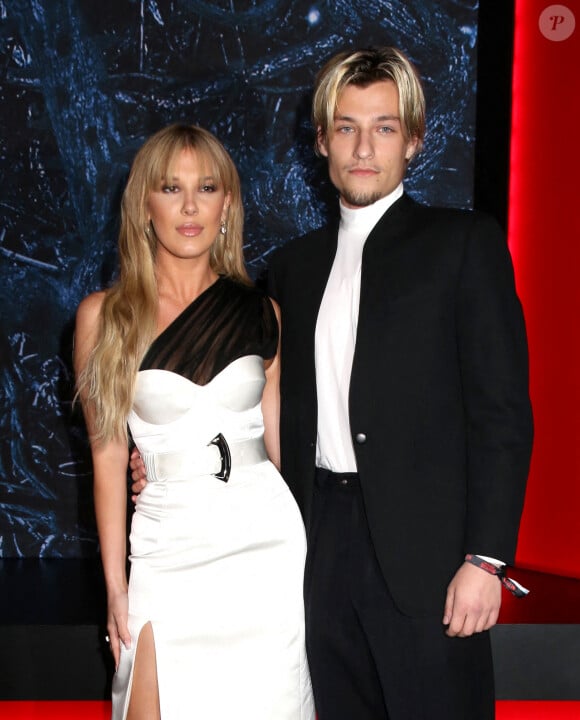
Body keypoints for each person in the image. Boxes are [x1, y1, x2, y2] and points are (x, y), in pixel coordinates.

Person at [265, 47, 533, 719]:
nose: (363, 147)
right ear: (322, 139)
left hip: (432, 558)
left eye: (384, 127)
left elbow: (502, 415)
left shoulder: (462, 244)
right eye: (347, 126)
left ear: (413, 140)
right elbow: (267, 412)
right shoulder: (291, 271)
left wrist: (488, 560)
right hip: (318, 545)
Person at [75, 123, 314, 720]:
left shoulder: (265, 314)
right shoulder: (105, 317)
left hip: (263, 544)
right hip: (166, 545)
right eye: (170, 187)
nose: (189, 206)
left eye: (206, 188)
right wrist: (115, 588)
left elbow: (285, 450)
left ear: (226, 205)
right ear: (143, 205)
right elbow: (106, 459)